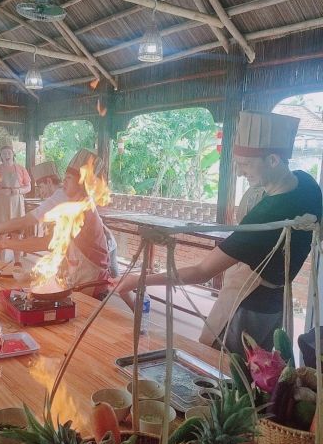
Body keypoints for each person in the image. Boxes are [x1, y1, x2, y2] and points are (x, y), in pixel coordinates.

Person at [118, 110, 322, 355]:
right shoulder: (308, 184)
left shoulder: (266, 216)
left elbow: (201, 272)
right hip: (277, 305)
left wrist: (139, 279)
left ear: (273, 160)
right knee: (262, 372)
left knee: (221, 369)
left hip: (246, 307)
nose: (238, 172)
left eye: (245, 164)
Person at [0, 149, 110, 299]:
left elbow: (47, 242)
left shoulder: (81, 210)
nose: (64, 181)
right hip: (79, 280)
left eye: (68, 178)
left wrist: (4, 243)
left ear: (82, 183)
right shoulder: (72, 205)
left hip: (92, 286)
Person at [0, 137, 31, 266]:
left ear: (13, 154)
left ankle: (17, 261)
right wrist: (2, 192)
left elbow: (28, 187)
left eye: (9, 152)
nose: (7, 155)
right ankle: (1, 262)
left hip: (17, 204)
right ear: (0, 156)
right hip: (1, 205)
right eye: (4, 153)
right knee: (1, 235)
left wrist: (18, 191)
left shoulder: (21, 169)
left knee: (16, 235)